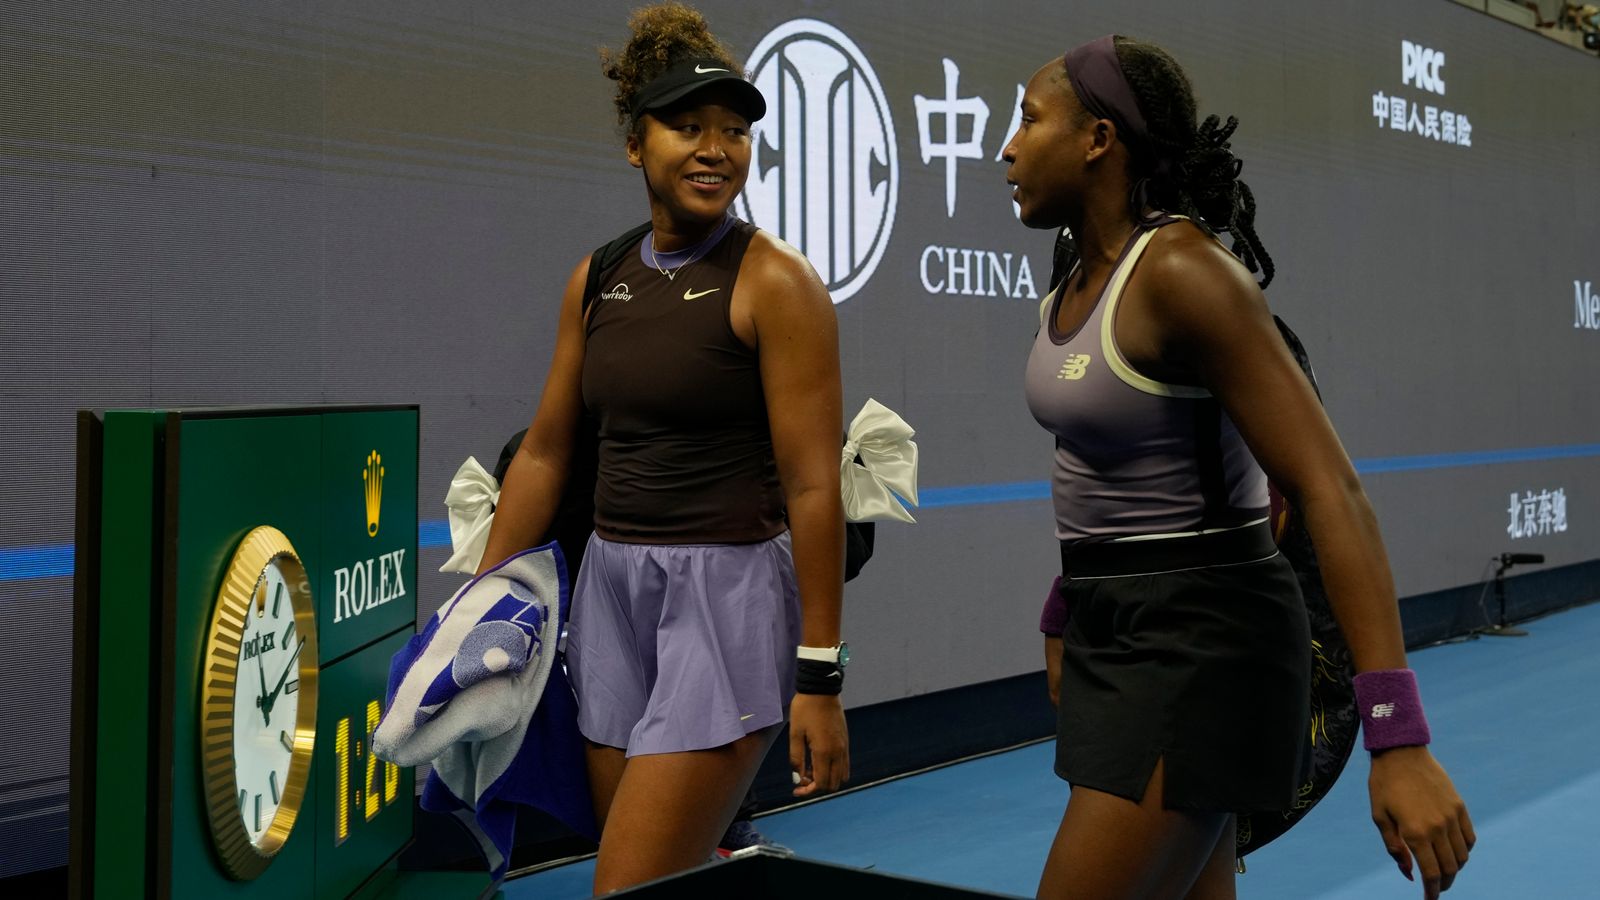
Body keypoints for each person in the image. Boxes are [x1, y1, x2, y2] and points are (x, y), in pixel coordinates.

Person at [1002, 35, 1474, 900]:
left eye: (1029, 120)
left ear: (1099, 139)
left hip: (1202, 646)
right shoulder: (1074, 275)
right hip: (1121, 633)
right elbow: (1110, 462)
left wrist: (1397, 736)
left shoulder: (1185, 274)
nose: (1007, 147)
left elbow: (1330, 490)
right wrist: (1068, 601)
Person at [473, 3, 849, 893]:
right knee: (651, 877)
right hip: (609, 597)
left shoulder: (777, 283)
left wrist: (821, 677)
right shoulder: (598, 277)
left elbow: (812, 485)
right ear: (635, 145)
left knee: (627, 885)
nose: (716, 148)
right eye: (688, 127)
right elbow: (547, 455)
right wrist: (478, 611)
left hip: (726, 603)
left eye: (733, 131)